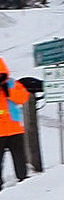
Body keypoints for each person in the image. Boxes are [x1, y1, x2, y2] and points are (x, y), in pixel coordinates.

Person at [0, 57, 31, 191]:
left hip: (15, 129)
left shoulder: (12, 83)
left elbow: (23, 98)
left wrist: (9, 91)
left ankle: (23, 181)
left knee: (20, 158)